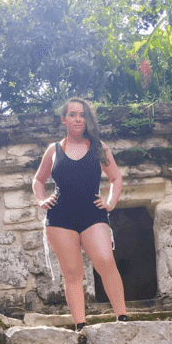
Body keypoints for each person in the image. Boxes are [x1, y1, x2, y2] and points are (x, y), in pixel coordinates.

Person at [32, 97, 128, 330]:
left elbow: (116, 178)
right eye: (73, 114)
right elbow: (38, 179)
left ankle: (122, 317)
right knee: (72, 272)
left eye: (82, 114)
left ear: (88, 119)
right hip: (60, 217)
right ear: (64, 119)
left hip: (92, 213)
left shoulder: (98, 147)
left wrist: (111, 203)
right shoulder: (53, 150)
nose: (78, 119)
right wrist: (41, 200)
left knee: (105, 260)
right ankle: (80, 326)